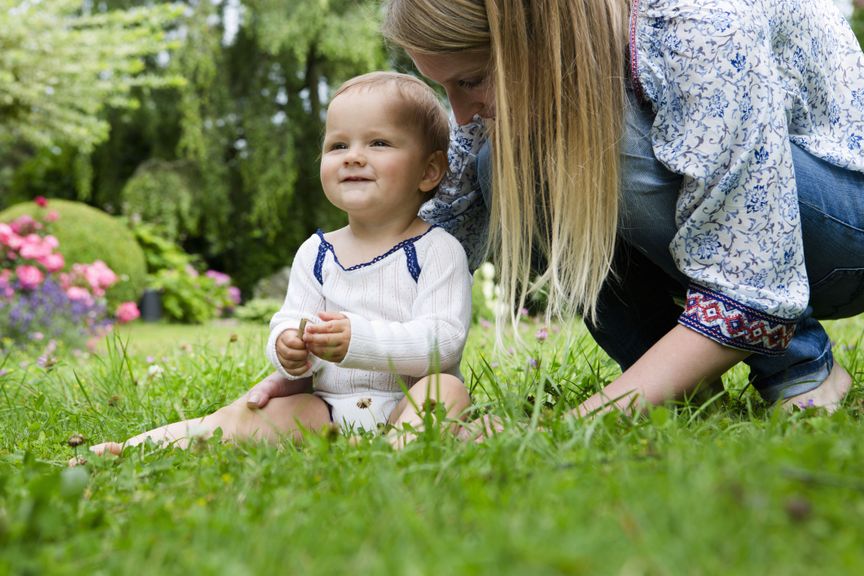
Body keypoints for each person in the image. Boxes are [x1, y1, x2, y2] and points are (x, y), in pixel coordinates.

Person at [377, 0, 864, 416]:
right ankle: (682, 393)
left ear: (534, 35)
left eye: (472, 80)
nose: (460, 115)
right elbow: (447, 220)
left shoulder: (698, 23)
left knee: (571, 140)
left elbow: (751, 275)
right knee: (500, 160)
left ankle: (800, 371)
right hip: (772, 230)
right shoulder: (558, 50)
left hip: (844, 223)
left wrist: (576, 423)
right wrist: (342, 340)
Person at [91, 72, 473, 455]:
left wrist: (357, 341)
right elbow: (290, 318)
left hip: (406, 402)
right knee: (249, 414)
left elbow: (443, 342)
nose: (354, 155)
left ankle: (396, 450)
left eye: (378, 142)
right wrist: (289, 347)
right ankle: (144, 445)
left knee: (446, 391)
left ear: (428, 171)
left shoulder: (436, 249)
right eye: (338, 144)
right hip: (324, 411)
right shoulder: (317, 252)